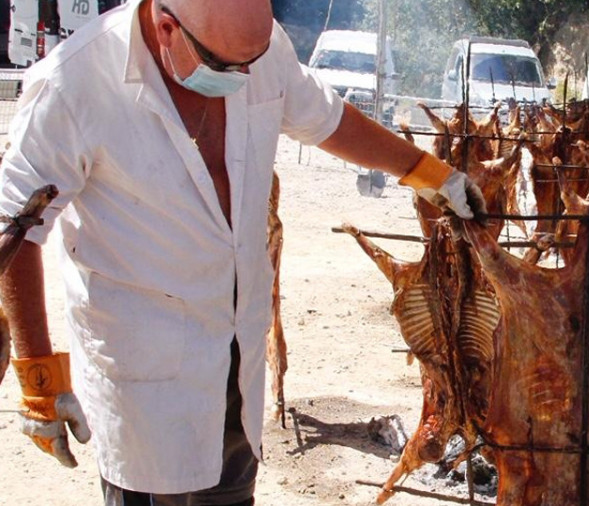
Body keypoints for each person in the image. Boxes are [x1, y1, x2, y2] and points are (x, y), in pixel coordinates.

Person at [0, 0, 484, 504]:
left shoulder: (255, 48)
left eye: (254, 63)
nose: (247, 77)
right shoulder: (75, 83)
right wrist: (37, 376)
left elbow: (328, 118)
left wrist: (428, 174)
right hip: (147, 380)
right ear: (167, 28)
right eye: (229, 68)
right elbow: (17, 227)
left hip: (236, 360)